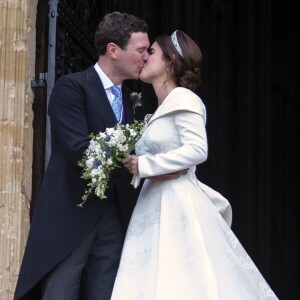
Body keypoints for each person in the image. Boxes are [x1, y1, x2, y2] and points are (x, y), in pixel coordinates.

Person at [111, 30, 279, 299]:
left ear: (170, 60)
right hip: (153, 202)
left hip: (177, 202)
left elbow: (197, 149)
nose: (144, 57)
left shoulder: (184, 98)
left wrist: (146, 165)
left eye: (151, 51)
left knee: (181, 278)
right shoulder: (156, 112)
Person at [14, 12, 151, 300]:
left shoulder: (131, 99)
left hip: (112, 213)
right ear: (113, 50)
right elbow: (79, 148)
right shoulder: (72, 87)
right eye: (141, 50)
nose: (146, 58)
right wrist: (141, 168)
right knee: (61, 292)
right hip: (70, 214)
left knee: (107, 292)